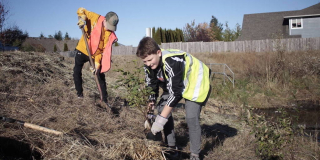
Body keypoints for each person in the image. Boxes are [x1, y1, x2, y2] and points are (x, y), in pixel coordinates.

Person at [136, 37, 211, 160]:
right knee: (162, 109)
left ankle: (195, 154)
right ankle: (172, 148)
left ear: (158, 53)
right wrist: (149, 114)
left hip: (195, 82)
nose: (148, 64)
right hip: (175, 83)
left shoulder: (172, 61)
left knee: (191, 117)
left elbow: (175, 93)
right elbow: (152, 87)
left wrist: (160, 121)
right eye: (145, 61)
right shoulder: (149, 66)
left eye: (150, 60)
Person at [73, 7, 119, 106]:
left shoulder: (109, 34)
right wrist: (82, 19)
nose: (110, 29)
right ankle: (79, 95)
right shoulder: (95, 17)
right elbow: (81, 10)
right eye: (109, 26)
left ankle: (104, 100)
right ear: (105, 20)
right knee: (77, 71)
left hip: (94, 55)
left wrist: (97, 64)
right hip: (83, 48)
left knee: (99, 75)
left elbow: (102, 51)